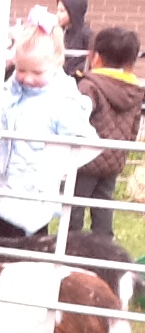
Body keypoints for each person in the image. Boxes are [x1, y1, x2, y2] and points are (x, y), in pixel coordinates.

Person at [0, 9, 98, 237]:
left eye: (37, 72)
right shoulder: (8, 93)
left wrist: (53, 166)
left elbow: (84, 141)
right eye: (21, 70)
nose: (27, 78)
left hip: (33, 200)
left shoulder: (63, 100)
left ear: (57, 63)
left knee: (25, 252)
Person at [69, 27, 144, 234]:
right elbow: (134, 126)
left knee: (74, 205)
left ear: (96, 57)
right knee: (104, 205)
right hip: (114, 159)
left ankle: (72, 243)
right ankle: (104, 245)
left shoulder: (89, 86)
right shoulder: (134, 90)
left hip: (86, 160)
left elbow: (77, 120)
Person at [56, 0, 93, 76]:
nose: (57, 14)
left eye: (62, 11)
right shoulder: (60, 32)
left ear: (73, 12)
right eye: (58, 10)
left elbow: (91, 59)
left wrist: (76, 72)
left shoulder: (86, 34)